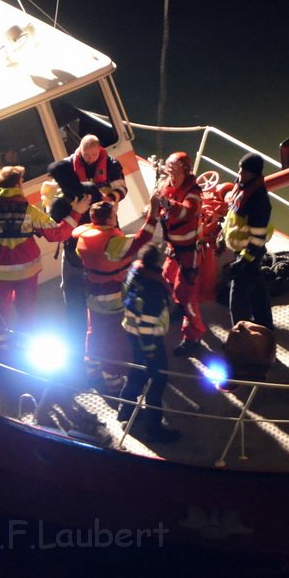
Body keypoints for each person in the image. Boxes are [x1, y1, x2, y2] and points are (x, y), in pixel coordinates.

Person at [0, 165, 91, 336]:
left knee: (0, 313)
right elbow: (57, 234)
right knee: (26, 312)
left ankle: (2, 344)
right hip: (27, 273)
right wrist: (76, 212)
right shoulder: (30, 212)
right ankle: (25, 342)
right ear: (18, 185)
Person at [48, 134, 128, 347]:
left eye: (94, 154)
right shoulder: (87, 188)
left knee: (78, 290)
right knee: (98, 286)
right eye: (87, 154)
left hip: (82, 244)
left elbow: (52, 228)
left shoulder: (110, 165)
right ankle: (100, 329)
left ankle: (81, 334)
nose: (91, 158)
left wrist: (105, 202)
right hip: (93, 245)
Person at [73, 196, 161, 392]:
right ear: (109, 220)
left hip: (92, 293)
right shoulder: (112, 243)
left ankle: (92, 370)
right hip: (112, 296)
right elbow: (141, 240)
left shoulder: (84, 236)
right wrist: (153, 215)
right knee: (114, 339)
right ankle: (113, 380)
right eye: (114, 214)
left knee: (94, 332)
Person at [119, 243, 180, 442]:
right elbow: (148, 324)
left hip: (131, 332)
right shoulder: (154, 288)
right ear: (156, 261)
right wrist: (151, 353)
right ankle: (154, 430)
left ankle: (125, 411)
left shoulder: (133, 272)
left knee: (136, 372)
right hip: (149, 341)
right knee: (156, 382)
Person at [156, 152, 207, 357]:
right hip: (174, 248)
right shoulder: (167, 185)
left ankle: (193, 336)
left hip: (189, 252)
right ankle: (178, 307)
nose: (172, 176)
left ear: (186, 172)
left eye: (175, 172)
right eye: (169, 171)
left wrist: (168, 205)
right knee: (167, 278)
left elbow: (188, 212)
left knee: (187, 296)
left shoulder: (192, 194)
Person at [220, 152, 275, 329]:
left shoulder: (259, 202)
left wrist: (243, 261)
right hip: (243, 252)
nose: (239, 174)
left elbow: (257, 239)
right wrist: (222, 238)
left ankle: (240, 335)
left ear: (254, 174)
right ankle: (266, 325)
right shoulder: (242, 188)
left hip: (249, 255)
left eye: (244, 172)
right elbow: (232, 217)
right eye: (240, 169)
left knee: (237, 301)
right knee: (258, 291)